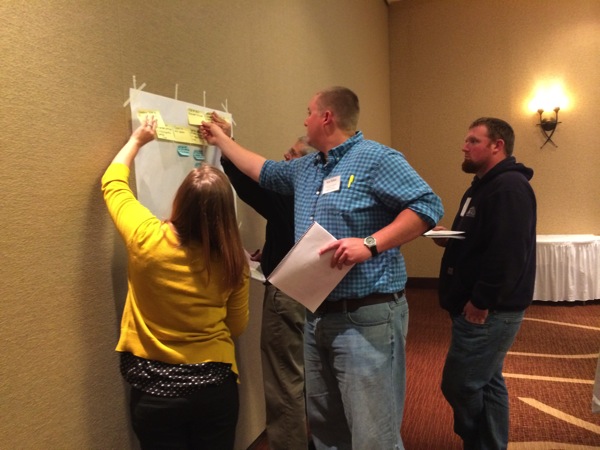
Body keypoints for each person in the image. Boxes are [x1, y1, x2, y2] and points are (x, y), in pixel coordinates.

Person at [200, 86, 444, 450]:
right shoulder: (307, 168)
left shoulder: (376, 158)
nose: (305, 120)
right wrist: (222, 139)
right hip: (317, 316)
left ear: (326, 117)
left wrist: (370, 244)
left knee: (372, 434)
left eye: (308, 112)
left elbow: (427, 206)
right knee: (327, 429)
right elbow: (261, 170)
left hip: (367, 317)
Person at [102, 117, 250, 450]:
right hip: (215, 389)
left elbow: (113, 183)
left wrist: (137, 140)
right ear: (226, 215)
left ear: (180, 201)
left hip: (155, 391)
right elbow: (237, 326)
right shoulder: (234, 262)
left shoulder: (146, 237)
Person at [432, 117, 537, 449]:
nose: (464, 147)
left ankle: (476, 439)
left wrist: (481, 301)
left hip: (488, 311)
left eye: (473, 141)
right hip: (476, 304)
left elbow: (508, 253)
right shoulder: (481, 186)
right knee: (488, 381)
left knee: (459, 384)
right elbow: (481, 239)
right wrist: (449, 239)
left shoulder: (510, 188)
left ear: (497, 145)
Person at [212, 111, 315, 450]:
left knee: (284, 382)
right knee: (307, 373)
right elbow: (292, 232)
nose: (285, 157)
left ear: (309, 164)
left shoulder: (291, 190)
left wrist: (225, 143)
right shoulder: (324, 190)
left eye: (293, 155)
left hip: (288, 296)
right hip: (316, 292)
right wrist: (270, 254)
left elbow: (250, 185)